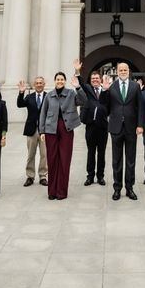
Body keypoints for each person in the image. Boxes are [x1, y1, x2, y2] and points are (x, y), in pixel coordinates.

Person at [99, 62, 141, 201]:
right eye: (120, 70)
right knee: (116, 160)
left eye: (125, 69)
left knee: (130, 159)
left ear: (129, 71)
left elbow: (140, 107)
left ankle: (129, 188)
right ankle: (117, 188)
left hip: (131, 127)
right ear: (117, 71)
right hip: (116, 128)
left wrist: (140, 125)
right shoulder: (111, 87)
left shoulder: (136, 86)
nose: (123, 71)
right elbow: (104, 106)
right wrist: (104, 91)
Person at [39, 71, 81, 200]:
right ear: (54, 81)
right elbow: (43, 113)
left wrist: (78, 87)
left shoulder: (71, 93)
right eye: (58, 79)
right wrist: (42, 131)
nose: (60, 81)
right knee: (52, 160)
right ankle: (52, 191)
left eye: (62, 79)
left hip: (66, 129)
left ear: (65, 81)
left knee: (64, 160)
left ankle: (61, 192)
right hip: (51, 129)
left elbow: (83, 101)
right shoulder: (49, 95)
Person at [74, 63, 109, 186]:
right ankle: (90, 176)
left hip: (103, 127)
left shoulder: (105, 90)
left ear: (100, 80)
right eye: (93, 78)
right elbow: (81, 83)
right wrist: (77, 71)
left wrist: (105, 90)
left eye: (97, 78)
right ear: (91, 80)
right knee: (91, 152)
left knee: (102, 153)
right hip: (90, 126)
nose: (95, 80)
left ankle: (100, 176)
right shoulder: (88, 89)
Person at [17, 76, 48, 187]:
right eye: (37, 83)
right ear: (34, 85)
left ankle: (43, 176)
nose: (39, 84)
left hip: (44, 131)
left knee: (44, 154)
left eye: (41, 83)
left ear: (44, 84)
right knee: (31, 154)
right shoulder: (29, 97)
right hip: (31, 130)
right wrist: (21, 93)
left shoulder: (48, 97)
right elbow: (20, 104)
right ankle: (30, 176)